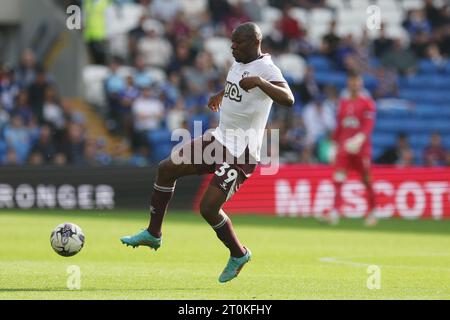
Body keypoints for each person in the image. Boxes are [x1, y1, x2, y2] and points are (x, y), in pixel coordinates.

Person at [120, 22, 294, 283]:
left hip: (241, 152)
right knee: (167, 168)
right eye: (232, 41)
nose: (232, 46)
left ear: (254, 42)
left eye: (238, 42)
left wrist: (259, 82)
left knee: (208, 208)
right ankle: (153, 233)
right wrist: (221, 94)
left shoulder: (266, 69)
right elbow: (239, 84)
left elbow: (288, 98)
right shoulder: (239, 62)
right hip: (220, 139)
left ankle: (239, 254)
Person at [322, 73, 377, 227]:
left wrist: (359, 139)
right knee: (338, 179)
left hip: (361, 149)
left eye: (356, 82)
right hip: (344, 149)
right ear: (348, 83)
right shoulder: (343, 102)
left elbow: (368, 125)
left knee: (366, 179)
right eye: (352, 82)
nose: (354, 85)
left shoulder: (368, 103)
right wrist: (333, 144)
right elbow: (340, 125)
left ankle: (372, 212)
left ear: (360, 84)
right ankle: (334, 213)